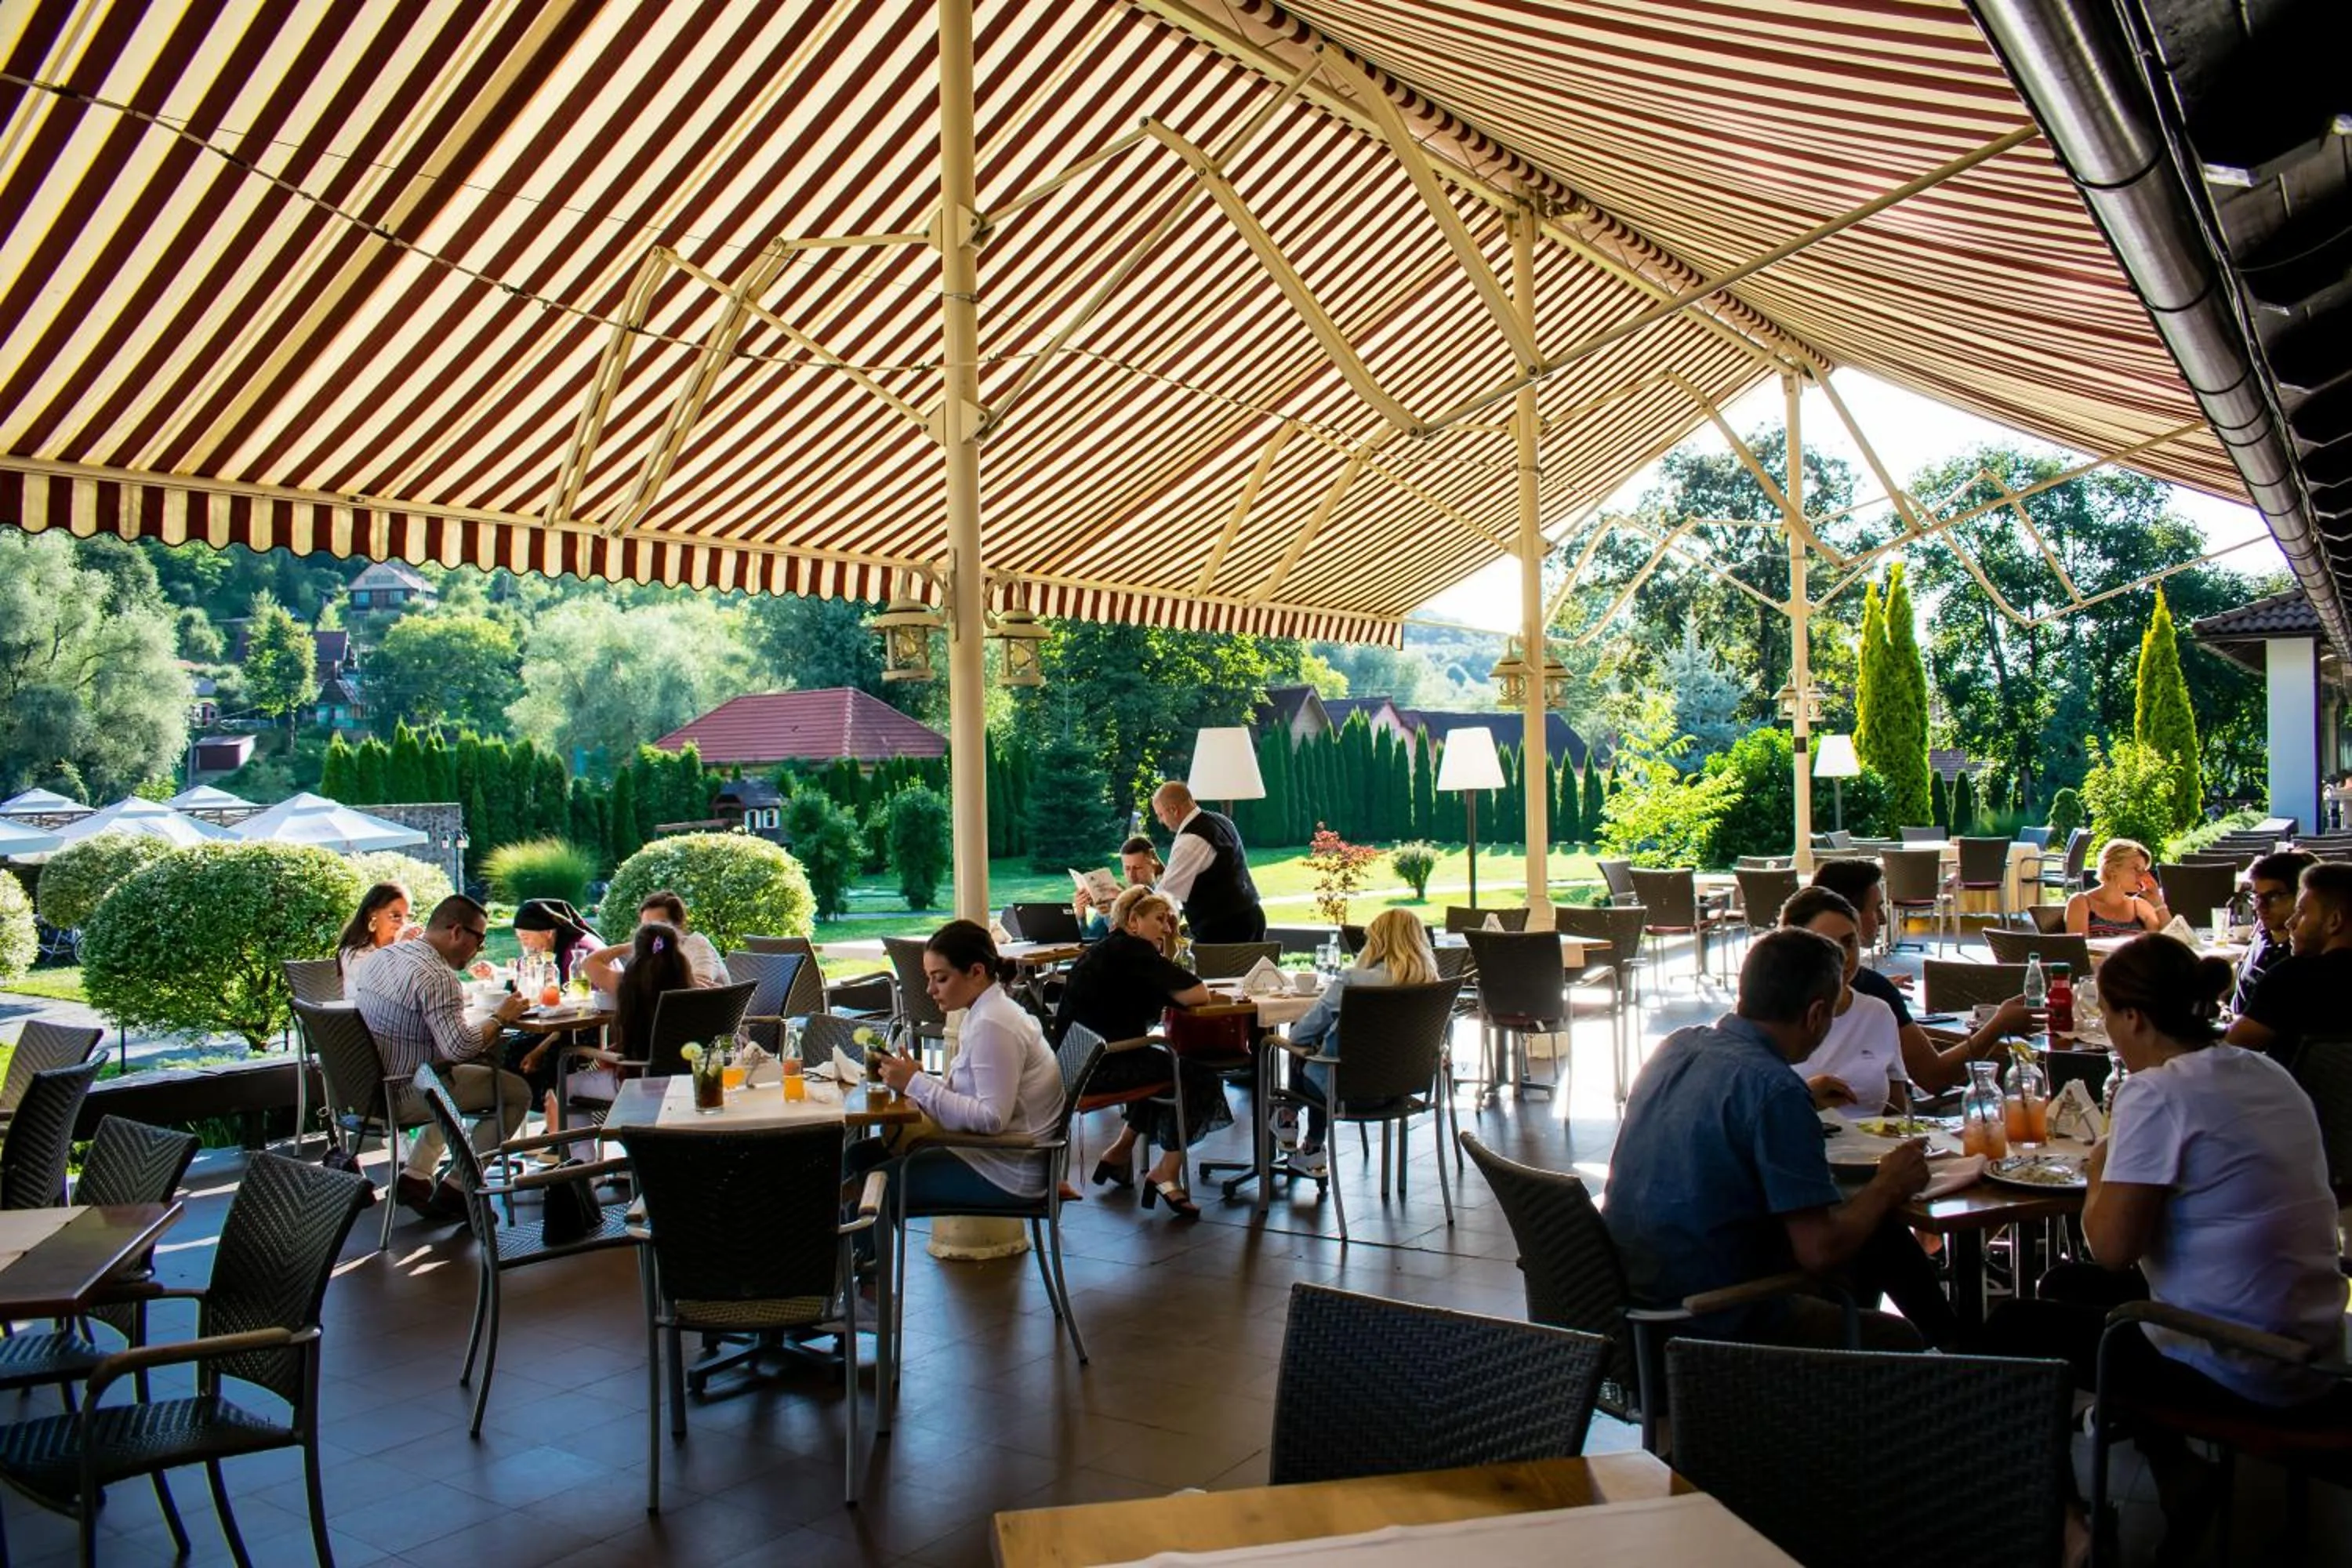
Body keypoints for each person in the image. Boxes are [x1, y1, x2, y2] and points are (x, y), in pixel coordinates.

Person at [1977, 935, 2343, 1538]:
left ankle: (2066, 1529)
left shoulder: (2158, 1091)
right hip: (2313, 1343)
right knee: (2067, 1284)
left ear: (2133, 1017)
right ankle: (2177, 1472)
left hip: (2243, 1362)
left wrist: (2099, 1164)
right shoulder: (2264, 1071)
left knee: (2013, 1328)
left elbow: (2113, 1247)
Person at [1602, 927, 1958, 1352]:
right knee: (1900, 1338)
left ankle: (1966, 1353)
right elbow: (1819, 1251)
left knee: (1877, 1239)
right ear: (1815, 1014)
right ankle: (1970, 1368)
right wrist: (1888, 1184)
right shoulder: (1776, 1090)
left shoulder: (1676, 1047)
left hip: (1633, 1298)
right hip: (1709, 1320)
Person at [862, 920, 1064, 1225]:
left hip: (1005, 1172)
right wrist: (918, 1080)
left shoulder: (993, 1024)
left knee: (866, 1189)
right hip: (998, 1159)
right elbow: (976, 1093)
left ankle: (861, 1270)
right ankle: (863, 1266)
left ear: (976, 971)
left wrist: (916, 1084)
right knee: (858, 1159)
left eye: (940, 979)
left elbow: (991, 1118)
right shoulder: (987, 1011)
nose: (930, 990)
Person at [349, 895, 533, 1220]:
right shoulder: (436, 976)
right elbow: (459, 1048)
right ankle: (460, 1189)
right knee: (516, 1093)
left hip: (367, 1088)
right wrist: (500, 1018)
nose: (480, 949)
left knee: (457, 1081)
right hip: (408, 1091)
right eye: (480, 939)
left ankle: (416, 1177)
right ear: (457, 932)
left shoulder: (383, 957)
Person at [1052, 887, 1221, 1218]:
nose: (1167, 927)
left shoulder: (1107, 950)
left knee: (1160, 1069)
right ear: (1133, 921)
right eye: (1160, 919)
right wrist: (1169, 949)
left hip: (1074, 1064)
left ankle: (1120, 1150)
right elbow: (1197, 994)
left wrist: (1168, 944)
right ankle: (1166, 1171)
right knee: (1195, 1075)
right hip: (1104, 1066)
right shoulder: (1134, 952)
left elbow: (1168, 986)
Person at [1810, 858, 2038, 1091]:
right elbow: (1934, 1076)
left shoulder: (1785, 982)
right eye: (1876, 908)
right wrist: (1998, 1025)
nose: (1883, 919)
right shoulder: (1872, 990)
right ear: (1848, 914)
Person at [1272, 909, 1437, 1178]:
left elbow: (1300, 1036)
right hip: (1399, 1091)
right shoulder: (1431, 984)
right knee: (1323, 1055)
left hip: (1343, 1092)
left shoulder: (1354, 980)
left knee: (1304, 1043)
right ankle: (1306, 1141)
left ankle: (1290, 1119)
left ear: (1378, 941)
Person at [1777, 887, 1904, 1116]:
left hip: (1874, 1149)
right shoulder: (1769, 1020)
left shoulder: (1878, 1013)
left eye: (1849, 942)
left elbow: (1897, 1114)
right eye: (1825, 945)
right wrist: (1803, 1097)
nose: (1842, 957)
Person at [2226, 861, 2352, 1061]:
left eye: (2301, 913)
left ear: (2334, 921)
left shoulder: (2294, 977)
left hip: (2287, 1090)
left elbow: (2231, 1046)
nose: (2290, 923)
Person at [1150, 781, 1265, 943]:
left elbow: (1165, 894)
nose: (1160, 821)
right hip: (1252, 914)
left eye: (1160, 814)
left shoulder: (1190, 840)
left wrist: (1130, 905)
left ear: (1174, 810)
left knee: (1214, 970)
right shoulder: (1221, 820)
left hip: (1224, 928)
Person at [580, 890, 729, 994]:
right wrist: (634, 945)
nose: (652, 934)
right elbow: (589, 963)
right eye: (645, 928)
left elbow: (701, 989)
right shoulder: (645, 967)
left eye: (660, 926)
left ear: (679, 926)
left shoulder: (696, 945)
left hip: (715, 1035)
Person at [2233, 849, 2315, 1014]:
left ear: (2303, 897)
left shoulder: (2303, 959)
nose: (2260, 906)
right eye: (2256, 896)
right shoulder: (2263, 936)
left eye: (2274, 896)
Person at [2064, 837, 2169, 937]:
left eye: (2143, 870)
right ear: (2111, 869)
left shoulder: (2140, 906)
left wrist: (2157, 902)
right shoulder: (2082, 902)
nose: (2143, 876)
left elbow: (2171, 944)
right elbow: (2079, 951)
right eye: (2136, 869)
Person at [335, 881, 420, 998]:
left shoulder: (403, 945)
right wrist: (402, 946)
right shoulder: (353, 953)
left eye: (407, 917)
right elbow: (380, 989)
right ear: (373, 914)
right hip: (362, 1014)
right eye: (396, 916)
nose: (402, 923)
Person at [1075, 836, 1163, 940]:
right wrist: (1081, 915)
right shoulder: (1116, 895)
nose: (1132, 875)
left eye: (1138, 868)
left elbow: (1142, 938)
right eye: (1127, 868)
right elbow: (1090, 937)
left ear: (1153, 866)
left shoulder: (1163, 897)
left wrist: (1121, 904)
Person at [512, 898, 601, 982]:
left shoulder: (578, 952)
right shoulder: (546, 949)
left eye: (525, 938)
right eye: (519, 938)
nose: (523, 944)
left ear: (548, 933)